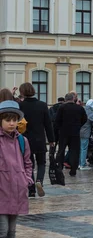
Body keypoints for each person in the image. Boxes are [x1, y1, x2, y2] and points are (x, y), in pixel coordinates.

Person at [0, 100, 33, 238]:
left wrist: (27, 179)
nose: (12, 123)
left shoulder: (22, 140)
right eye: (8, 120)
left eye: (14, 120)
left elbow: (28, 163)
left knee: (12, 232)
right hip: (1, 191)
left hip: (17, 191)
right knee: (2, 230)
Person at [17, 83, 54, 198]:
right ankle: (40, 181)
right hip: (39, 138)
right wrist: (51, 140)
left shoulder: (20, 106)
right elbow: (48, 124)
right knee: (42, 163)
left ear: (22, 92)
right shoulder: (42, 105)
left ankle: (31, 189)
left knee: (29, 165)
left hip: (25, 139)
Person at [54, 92, 88, 177]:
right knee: (74, 151)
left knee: (61, 150)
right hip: (75, 132)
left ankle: (60, 167)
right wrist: (78, 125)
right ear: (73, 99)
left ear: (65, 99)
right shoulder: (79, 108)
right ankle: (73, 170)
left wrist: (59, 128)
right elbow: (85, 119)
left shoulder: (62, 107)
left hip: (63, 132)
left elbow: (57, 120)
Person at [79, 99, 93, 171]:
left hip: (79, 132)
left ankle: (79, 163)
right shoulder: (89, 111)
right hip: (85, 132)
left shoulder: (82, 109)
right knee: (84, 149)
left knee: (80, 149)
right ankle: (83, 164)